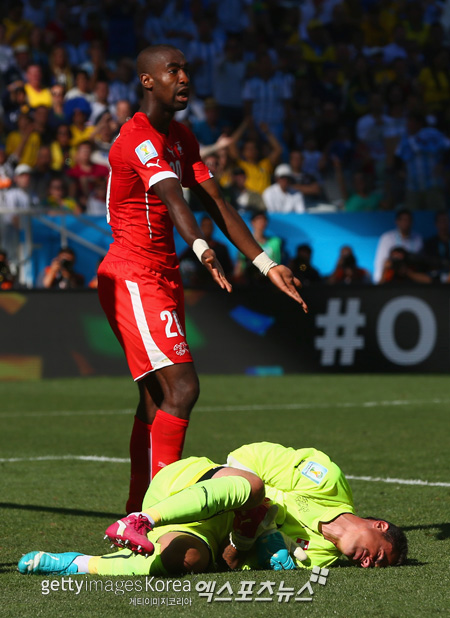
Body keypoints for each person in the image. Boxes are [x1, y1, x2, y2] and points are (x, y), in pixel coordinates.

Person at [96, 45, 307, 516]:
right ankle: (159, 510)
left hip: (160, 275)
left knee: (157, 398)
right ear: (148, 80)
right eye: (173, 70)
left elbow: (217, 202)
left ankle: (136, 510)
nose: (184, 78)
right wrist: (199, 246)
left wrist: (265, 264)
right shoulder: (137, 137)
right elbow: (174, 197)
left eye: (186, 69)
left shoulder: (180, 138)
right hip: (132, 274)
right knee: (183, 389)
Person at [18, 441, 408, 577]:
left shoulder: (319, 561)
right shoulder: (327, 480)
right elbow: (246, 457)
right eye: (378, 554)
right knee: (252, 488)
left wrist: (249, 536)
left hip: (209, 528)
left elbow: (234, 562)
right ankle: (140, 519)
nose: (368, 563)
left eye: (373, 566)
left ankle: (77, 563)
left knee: (187, 561)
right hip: (189, 485)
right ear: (378, 524)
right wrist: (261, 512)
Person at [373, 208, 424, 283]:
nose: (406, 223)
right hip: (391, 280)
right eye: (403, 220)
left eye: (408, 220)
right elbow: (381, 262)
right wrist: (379, 283)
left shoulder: (418, 239)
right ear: (397, 222)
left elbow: (420, 263)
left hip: (411, 280)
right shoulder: (387, 238)